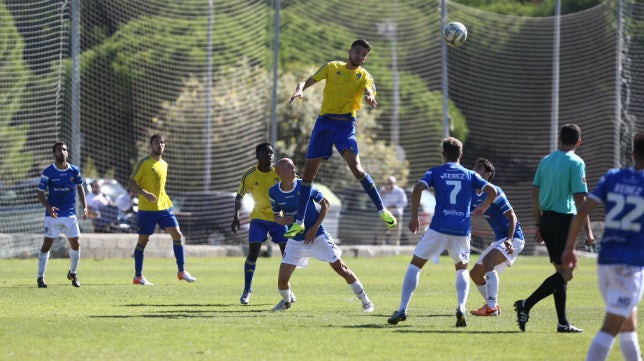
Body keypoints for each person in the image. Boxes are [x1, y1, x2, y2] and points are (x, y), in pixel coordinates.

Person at [285, 39, 397, 239]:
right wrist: (300, 89)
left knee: (356, 167)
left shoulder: (364, 76)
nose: (360, 56)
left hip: (345, 126)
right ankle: (299, 222)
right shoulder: (332, 67)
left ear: (365, 58)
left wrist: (370, 96)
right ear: (350, 52)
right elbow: (306, 81)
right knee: (309, 173)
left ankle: (382, 210)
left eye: (363, 54)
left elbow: (368, 89)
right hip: (324, 124)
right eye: (357, 52)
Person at [387, 137, 497, 327]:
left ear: (443, 154)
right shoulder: (470, 175)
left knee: (415, 265)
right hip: (461, 229)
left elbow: (418, 188)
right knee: (461, 268)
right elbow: (492, 190)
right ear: (461, 155)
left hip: (438, 227)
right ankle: (461, 308)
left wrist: (414, 217)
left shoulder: (435, 172)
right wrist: (485, 206)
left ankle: (403, 309)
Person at [562, 133, 644, 361]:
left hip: (606, 262)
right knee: (610, 328)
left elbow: (583, 209)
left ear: (633, 153)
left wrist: (569, 248)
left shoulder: (613, 177)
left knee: (628, 326)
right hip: (631, 265)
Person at [514, 123, 595, 333]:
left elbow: (534, 195)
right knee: (567, 273)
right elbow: (580, 198)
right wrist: (588, 231)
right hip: (564, 221)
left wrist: (539, 224)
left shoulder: (545, 161)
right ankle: (526, 304)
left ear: (559, 138)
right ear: (579, 141)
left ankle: (562, 322)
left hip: (548, 220)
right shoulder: (576, 162)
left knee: (561, 271)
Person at [269, 158, 374, 313]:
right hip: (296, 240)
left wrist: (313, 229)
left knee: (341, 269)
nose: (293, 167)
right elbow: (276, 214)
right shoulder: (274, 191)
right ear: (279, 172)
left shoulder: (305, 185)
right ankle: (286, 301)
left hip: (317, 236)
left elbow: (326, 204)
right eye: (288, 165)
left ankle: (366, 301)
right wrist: (280, 220)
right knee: (282, 281)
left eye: (293, 164)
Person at [128, 134, 196, 285]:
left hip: (164, 207)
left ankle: (182, 271)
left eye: (163, 142)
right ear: (151, 145)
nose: (160, 145)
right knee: (143, 241)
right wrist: (145, 193)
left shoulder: (164, 164)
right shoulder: (144, 162)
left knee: (177, 235)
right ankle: (138, 276)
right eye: (157, 142)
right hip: (147, 209)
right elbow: (131, 183)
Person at [231, 142, 288, 305]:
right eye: (265, 152)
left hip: (279, 218)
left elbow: (296, 184)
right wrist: (235, 217)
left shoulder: (280, 171)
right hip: (259, 218)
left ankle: (286, 290)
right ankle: (247, 290)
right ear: (257, 156)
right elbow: (239, 196)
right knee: (253, 252)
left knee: (288, 255)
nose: (269, 155)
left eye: (271, 152)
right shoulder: (250, 174)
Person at [468, 158, 525, 316]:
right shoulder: (472, 193)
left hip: (514, 238)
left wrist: (509, 239)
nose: (474, 169)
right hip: (500, 239)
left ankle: (491, 308)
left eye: (479, 168)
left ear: (488, 174)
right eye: (474, 166)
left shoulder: (495, 191)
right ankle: (492, 304)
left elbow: (512, 216)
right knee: (475, 274)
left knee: (488, 262)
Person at [36, 141, 88, 288]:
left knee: (76, 243)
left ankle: (73, 273)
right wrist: (48, 206)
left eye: (64, 149)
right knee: (47, 245)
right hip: (52, 215)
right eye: (59, 150)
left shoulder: (74, 170)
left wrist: (84, 206)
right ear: (54, 153)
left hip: (70, 214)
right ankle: (40, 277)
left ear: (67, 153)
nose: (62, 152)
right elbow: (40, 193)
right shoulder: (48, 172)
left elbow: (80, 188)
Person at [377, 176, 408, 245]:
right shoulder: (382, 190)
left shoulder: (399, 191)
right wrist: (382, 193)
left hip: (396, 215)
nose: (388, 184)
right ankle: (380, 251)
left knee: (395, 236)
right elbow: (378, 202)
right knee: (380, 235)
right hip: (384, 215)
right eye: (387, 183)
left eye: (390, 183)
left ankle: (395, 251)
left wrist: (393, 206)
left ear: (394, 183)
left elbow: (404, 202)